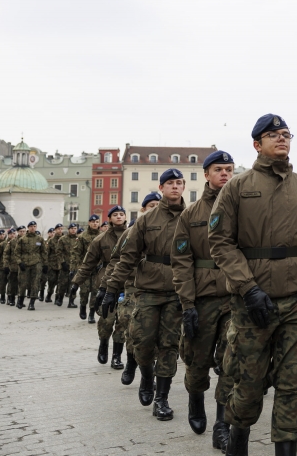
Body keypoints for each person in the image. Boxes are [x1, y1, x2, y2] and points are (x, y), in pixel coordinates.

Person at [209, 114, 297, 456]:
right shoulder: (238, 187)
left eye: (285, 134)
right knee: (248, 383)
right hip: (253, 304)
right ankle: (237, 443)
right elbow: (220, 242)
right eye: (272, 135)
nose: (281, 139)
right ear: (256, 144)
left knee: (292, 383)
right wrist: (248, 288)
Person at [103, 169, 187, 422]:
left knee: (170, 345)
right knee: (142, 342)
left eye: (179, 183)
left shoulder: (191, 217)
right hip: (148, 291)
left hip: (177, 291)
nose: (175, 187)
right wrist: (111, 289)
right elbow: (128, 257)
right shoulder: (146, 220)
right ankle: (147, 377)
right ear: (161, 188)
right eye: (170, 183)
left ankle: (162, 398)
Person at [172, 152, 236, 448]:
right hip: (202, 299)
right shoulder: (191, 214)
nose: (225, 174)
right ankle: (196, 399)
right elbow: (182, 261)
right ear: (206, 175)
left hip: (234, 297)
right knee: (196, 362)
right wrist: (187, 305)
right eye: (218, 170)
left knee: (231, 359)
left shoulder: (242, 209)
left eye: (229, 169)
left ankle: (222, 424)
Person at [107, 192, 161, 384]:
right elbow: (116, 261)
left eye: (158, 204)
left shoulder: (170, 230)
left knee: (154, 333)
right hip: (133, 287)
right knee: (131, 327)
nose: (154, 208)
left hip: (159, 288)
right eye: (151, 205)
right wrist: (108, 289)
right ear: (143, 209)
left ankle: (150, 372)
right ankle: (130, 362)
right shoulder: (132, 231)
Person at [72, 206, 124, 363]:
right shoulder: (100, 239)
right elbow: (88, 263)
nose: (119, 217)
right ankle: (103, 345)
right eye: (115, 214)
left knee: (123, 321)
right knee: (106, 320)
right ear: (109, 218)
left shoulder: (133, 235)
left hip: (127, 282)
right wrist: (76, 282)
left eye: (122, 214)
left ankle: (117, 356)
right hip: (106, 282)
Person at [71, 216, 101, 321]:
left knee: (95, 291)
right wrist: (76, 267)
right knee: (84, 291)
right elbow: (76, 252)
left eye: (97, 222)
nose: (95, 224)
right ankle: (83, 307)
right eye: (93, 222)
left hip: (98, 270)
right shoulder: (83, 236)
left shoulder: (103, 236)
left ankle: (91, 313)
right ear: (89, 223)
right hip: (85, 269)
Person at [15, 221, 46, 311]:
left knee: (35, 283)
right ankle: (20, 300)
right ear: (28, 228)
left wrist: (45, 264)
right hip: (24, 264)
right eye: (31, 226)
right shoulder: (22, 239)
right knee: (23, 283)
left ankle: (32, 303)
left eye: (34, 226)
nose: (33, 228)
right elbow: (17, 252)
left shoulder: (39, 239)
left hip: (36, 263)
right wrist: (20, 262)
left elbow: (44, 252)